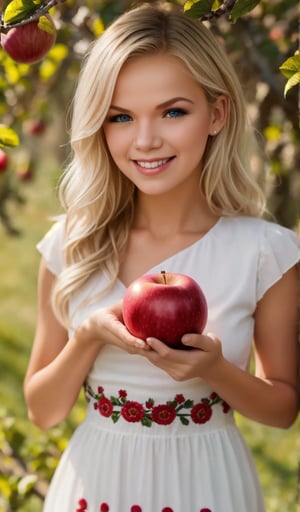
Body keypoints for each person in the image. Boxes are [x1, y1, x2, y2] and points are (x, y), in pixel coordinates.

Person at [24, 3, 299, 511]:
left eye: (173, 111)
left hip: (207, 487)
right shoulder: (73, 244)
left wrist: (214, 369)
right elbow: (43, 411)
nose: (146, 140)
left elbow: (283, 408)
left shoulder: (264, 251)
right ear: (99, 128)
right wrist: (86, 337)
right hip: (95, 485)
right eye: (121, 117)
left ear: (216, 114)